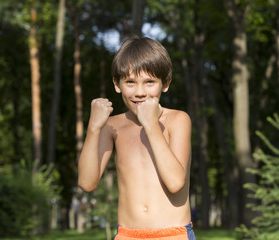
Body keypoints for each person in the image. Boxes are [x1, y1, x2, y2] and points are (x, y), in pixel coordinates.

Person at [78, 36, 196, 240]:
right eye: (130, 82)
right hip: (127, 235)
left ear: (165, 83)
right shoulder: (111, 126)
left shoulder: (178, 120)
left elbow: (176, 182)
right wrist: (93, 128)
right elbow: (87, 183)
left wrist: (151, 125)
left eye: (150, 82)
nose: (140, 92)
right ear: (117, 84)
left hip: (173, 234)